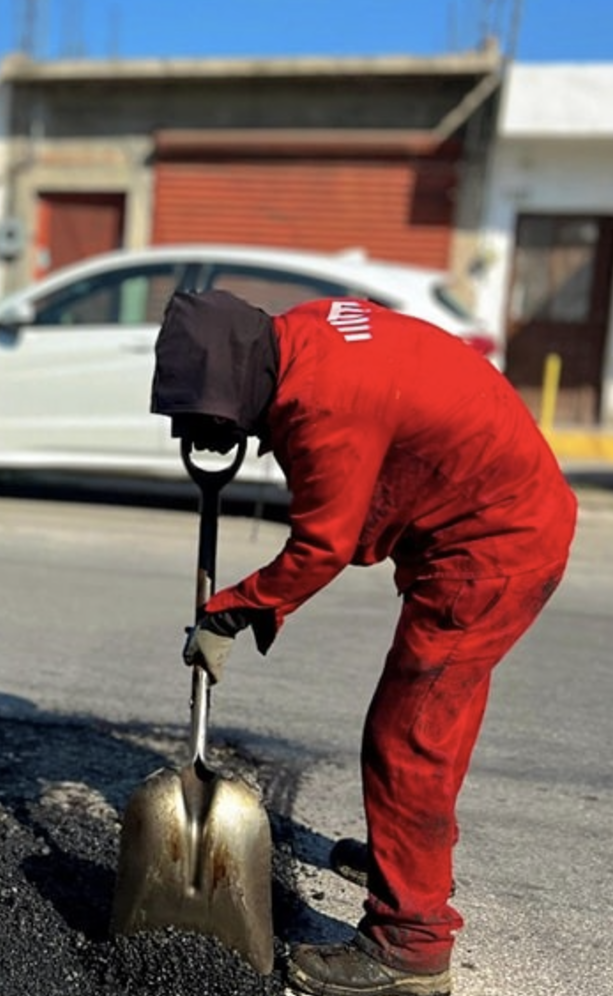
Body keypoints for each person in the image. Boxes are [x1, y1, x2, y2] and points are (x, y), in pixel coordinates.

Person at [150, 289, 576, 996]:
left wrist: (230, 612)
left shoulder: (323, 408)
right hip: (506, 519)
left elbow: (324, 544)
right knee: (438, 719)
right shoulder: (304, 329)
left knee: (408, 738)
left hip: (493, 551)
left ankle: (409, 944)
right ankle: (404, 863)